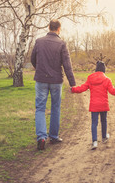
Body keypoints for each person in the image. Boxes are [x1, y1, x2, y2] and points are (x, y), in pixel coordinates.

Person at [31, 19, 76, 150]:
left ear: (49, 27)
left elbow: (33, 59)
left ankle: (41, 137)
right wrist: (72, 83)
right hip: (56, 81)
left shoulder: (39, 42)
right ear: (59, 29)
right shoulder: (62, 43)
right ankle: (54, 136)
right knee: (55, 108)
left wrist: (40, 68)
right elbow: (67, 65)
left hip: (41, 80)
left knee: (40, 108)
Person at [71, 61, 115, 150]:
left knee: (94, 123)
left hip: (94, 105)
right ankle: (104, 137)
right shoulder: (107, 79)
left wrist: (73, 89)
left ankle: (94, 142)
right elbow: (113, 91)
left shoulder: (90, 78)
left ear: (96, 69)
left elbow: (82, 88)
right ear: (104, 70)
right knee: (104, 121)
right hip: (103, 104)